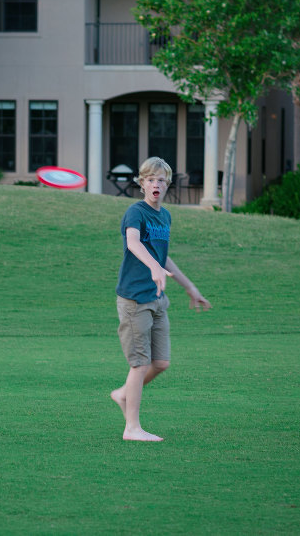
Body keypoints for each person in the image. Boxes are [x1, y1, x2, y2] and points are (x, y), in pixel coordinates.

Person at [110, 157, 212, 442]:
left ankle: (123, 394)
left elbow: (163, 256)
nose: (156, 184)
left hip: (157, 299)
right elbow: (133, 242)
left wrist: (189, 287)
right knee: (140, 364)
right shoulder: (135, 212)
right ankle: (132, 428)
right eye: (151, 179)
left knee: (161, 362)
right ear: (142, 184)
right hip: (134, 300)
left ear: (167, 185)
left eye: (161, 180)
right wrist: (153, 266)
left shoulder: (164, 216)